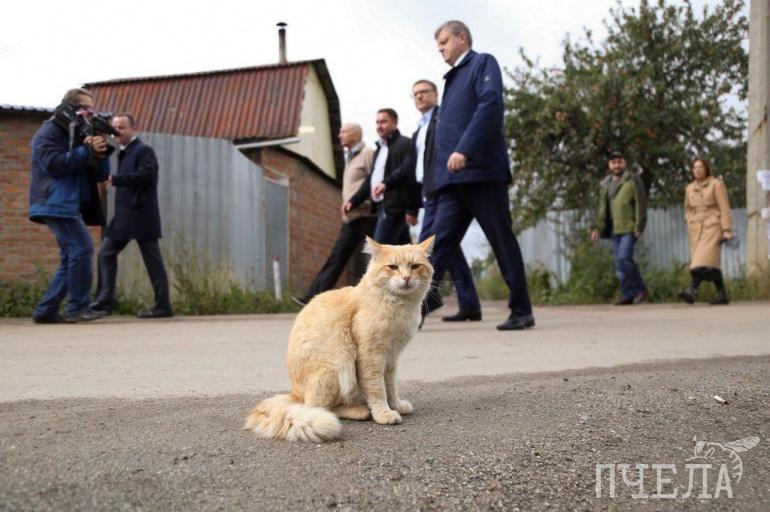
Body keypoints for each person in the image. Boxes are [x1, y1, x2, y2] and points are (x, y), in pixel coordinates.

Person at [426, 20, 534, 330]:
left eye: (444, 42)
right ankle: (413, 312)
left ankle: (522, 310)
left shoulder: (482, 63)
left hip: (481, 173)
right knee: (438, 246)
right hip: (452, 181)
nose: (440, 49)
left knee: (501, 240)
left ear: (462, 38)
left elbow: (490, 105)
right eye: (438, 45)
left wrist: (465, 149)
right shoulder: (452, 79)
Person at [28, 88, 111, 323]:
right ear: (70, 107)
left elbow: (100, 175)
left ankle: (46, 310)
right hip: (55, 201)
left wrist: (101, 152)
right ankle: (77, 308)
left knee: (71, 256)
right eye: (85, 108)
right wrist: (85, 151)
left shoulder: (81, 133)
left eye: (92, 110)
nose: (89, 114)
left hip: (70, 204)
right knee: (82, 248)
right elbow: (52, 163)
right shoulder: (50, 130)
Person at [411, 79, 481, 322]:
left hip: (442, 188)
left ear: (435, 94)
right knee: (448, 247)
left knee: (428, 246)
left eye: (424, 92)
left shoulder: (443, 119)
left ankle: (423, 303)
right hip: (427, 190)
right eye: (415, 94)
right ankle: (470, 304)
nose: (419, 96)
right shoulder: (419, 128)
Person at [90, 114, 173, 318]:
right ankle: (103, 303)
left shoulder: (143, 151)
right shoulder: (123, 152)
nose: (118, 131)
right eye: (115, 127)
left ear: (132, 129)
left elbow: (147, 176)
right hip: (123, 216)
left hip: (142, 215)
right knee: (105, 254)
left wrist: (115, 179)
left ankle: (163, 306)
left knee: (152, 261)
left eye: (122, 127)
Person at [292, 123, 377, 306]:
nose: (340, 135)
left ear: (356, 134)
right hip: (352, 218)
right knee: (337, 257)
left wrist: (361, 202)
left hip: (367, 216)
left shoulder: (368, 154)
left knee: (380, 257)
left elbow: (374, 181)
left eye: (344, 132)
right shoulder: (350, 156)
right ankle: (314, 297)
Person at [344, 109, 418, 245]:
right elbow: (371, 180)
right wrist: (354, 201)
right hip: (381, 206)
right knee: (402, 251)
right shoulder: (379, 149)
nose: (379, 126)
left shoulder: (405, 144)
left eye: (383, 122)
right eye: (377, 122)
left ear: (395, 122)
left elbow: (408, 172)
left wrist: (412, 209)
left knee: (379, 251)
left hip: (395, 208)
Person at [591, 150, 649, 305]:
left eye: (619, 162)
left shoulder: (633, 180)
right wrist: (597, 228)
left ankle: (640, 289)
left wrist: (640, 225)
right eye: (613, 162)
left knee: (624, 258)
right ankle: (627, 294)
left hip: (629, 227)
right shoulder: (605, 184)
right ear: (609, 165)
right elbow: (602, 209)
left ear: (625, 163)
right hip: (614, 229)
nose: (616, 165)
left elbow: (641, 203)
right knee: (619, 264)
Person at [679, 158, 733, 305]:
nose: (697, 170)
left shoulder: (716, 184)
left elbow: (724, 207)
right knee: (710, 263)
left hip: (713, 225)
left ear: (706, 169)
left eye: (700, 167)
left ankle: (692, 290)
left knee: (700, 261)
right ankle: (722, 294)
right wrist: (689, 219)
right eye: (694, 167)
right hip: (696, 228)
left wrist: (726, 229)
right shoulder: (689, 188)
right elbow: (687, 208)